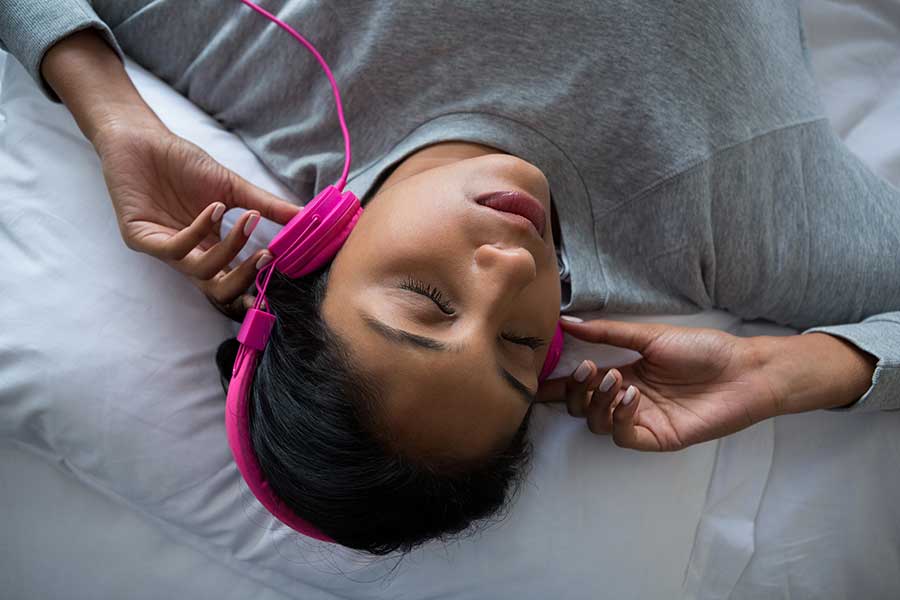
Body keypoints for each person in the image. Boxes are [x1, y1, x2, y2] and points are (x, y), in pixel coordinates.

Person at [3, 1, 898, 556]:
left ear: (313, 257)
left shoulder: (254, 57)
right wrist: (797, 372)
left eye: (426, 303)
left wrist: (106, 109)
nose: (511, 268)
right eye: (516, 343)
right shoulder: (727, 219)